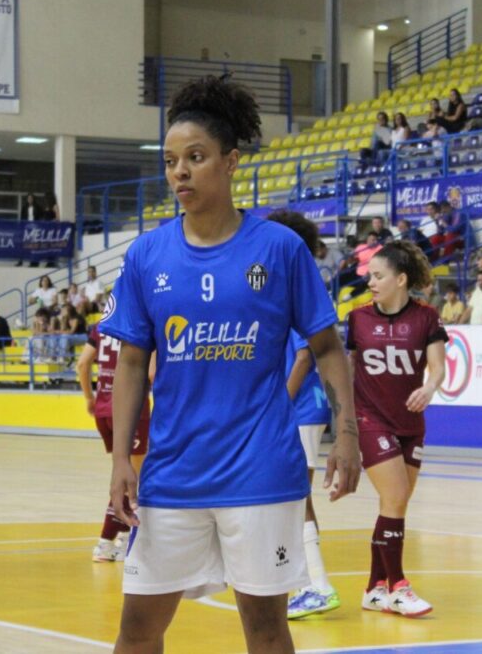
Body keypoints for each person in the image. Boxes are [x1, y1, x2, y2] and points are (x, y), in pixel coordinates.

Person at [102, 75, 360, 654]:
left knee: (267, 632)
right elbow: (132, 363)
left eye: (196, 157)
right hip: (172, 473)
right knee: (137, 631)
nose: (180, 173)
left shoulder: (278, 249)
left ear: (231, 161)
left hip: (261, 470)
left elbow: (326, 349)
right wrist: (122, 457)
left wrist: (347, 435)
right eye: (170, 162)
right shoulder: (148, 254)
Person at [346, 242, 447, 618]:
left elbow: (437, 367)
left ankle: (374, 588)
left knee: (395, 504)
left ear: (401, 279)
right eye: (369, 276)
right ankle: (399, 587)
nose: (370, 282)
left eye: (377, 276)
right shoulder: (357, 319)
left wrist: (430, 386)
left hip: (410, 423)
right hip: (371, 419)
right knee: (396, 496)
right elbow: (347, 368)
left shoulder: (426, 318)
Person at [265, 210, 340, 619]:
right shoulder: (285, 283)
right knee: (294, 499)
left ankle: (317, 584)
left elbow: (303, 357)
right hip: (297, 410)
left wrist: (276, 404)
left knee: (297, 499)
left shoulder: (295, 287)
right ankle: (308, 583)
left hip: (300, 409)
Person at [76, 325, 152, 563]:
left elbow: (82, 363)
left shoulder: (100, 327)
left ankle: (124, 535)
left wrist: (89, 397)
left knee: (124, 472)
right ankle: (107, 541)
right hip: (131, 409)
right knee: (133, 477)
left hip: (104, 409)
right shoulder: (141, 326)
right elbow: (151, 374)